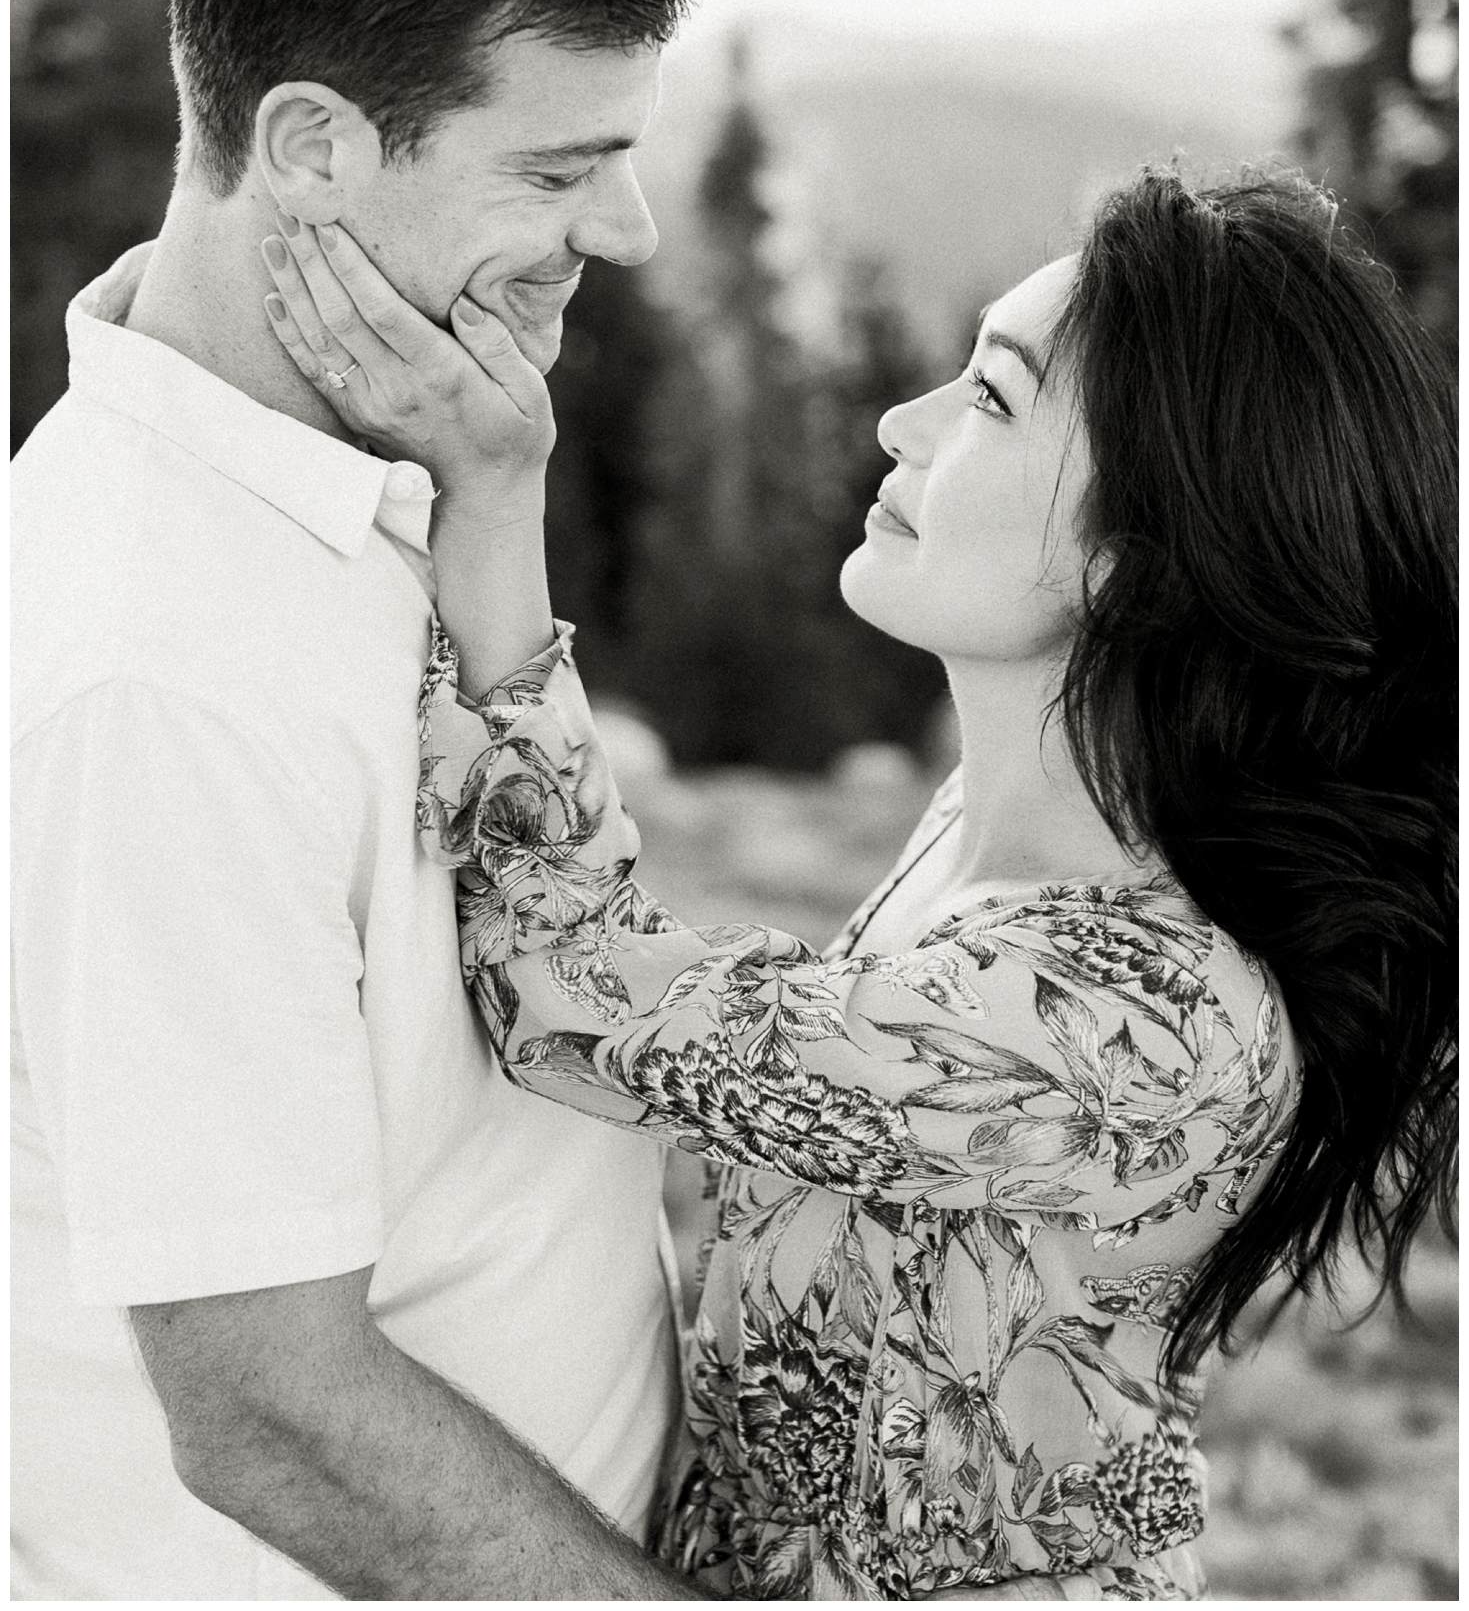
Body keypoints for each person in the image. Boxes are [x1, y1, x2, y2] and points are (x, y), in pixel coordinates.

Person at [261, 167, 1456, 1599]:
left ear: (1134, 565)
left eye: (994, 399)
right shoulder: (987, 831)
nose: (904, 423)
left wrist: (494, 493)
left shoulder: (1122, 1018)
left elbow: (568, 995)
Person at [10, 0, 725, 1600]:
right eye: (561, 167)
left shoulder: (384, 462)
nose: (624, 233)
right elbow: (265, 1404)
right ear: (315, 148)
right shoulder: (155, 665)